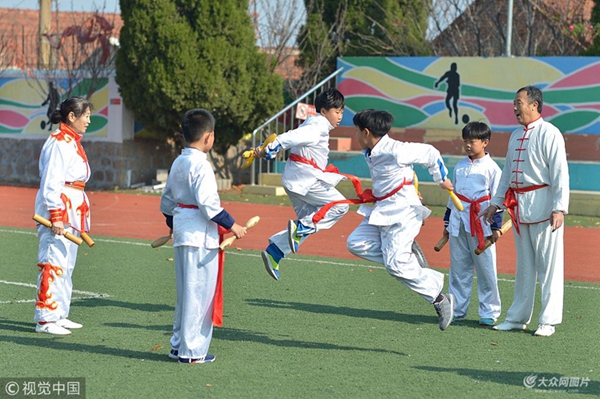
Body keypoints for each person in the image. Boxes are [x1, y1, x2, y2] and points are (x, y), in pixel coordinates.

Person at [346, 109, 455, 331]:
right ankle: (407, 256)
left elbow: (431, 152)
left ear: (366, 132)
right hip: (381, 208)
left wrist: (441, 178)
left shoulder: (397, 150)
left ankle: (439, 299)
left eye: (356, 131)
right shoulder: (371, 150)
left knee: (395, 264)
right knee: (355, 243)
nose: (355, 135)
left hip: (402, 211)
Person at [480, 86, 569, 337]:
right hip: (519, 208)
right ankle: (518, 318)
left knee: (548, 266)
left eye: (519, 102)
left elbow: (560, 173)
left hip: (544, 206)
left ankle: (548, 321)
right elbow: (507, 173)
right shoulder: (515, 135)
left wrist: (559, 208)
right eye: (514, 102)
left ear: (534, 104)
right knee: (525, 266)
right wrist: (496, 202)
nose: (515, 107)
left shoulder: (550, 133)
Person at [160, 109, 247, 364]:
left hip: (183, 230)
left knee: (185, 294)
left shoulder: (179, 161)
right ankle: (192, 351)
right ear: (209, 137)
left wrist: (172, 223)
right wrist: (234, 226)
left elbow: (166, 201)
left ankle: (178, 346)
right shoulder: (201, 164)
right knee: (198, 295)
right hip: (199, 234)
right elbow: (209, 205)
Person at [253, 88, 348, 281]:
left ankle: (275, 251)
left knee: (307, 223)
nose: (340, 116)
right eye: (337, 111)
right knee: (340, 206)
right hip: (305, 181)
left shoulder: (315, 123)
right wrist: (274, 145)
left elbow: (293, 137)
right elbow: (292, 136)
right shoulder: (318, 125)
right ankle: (300, 228)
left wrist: (265, 151)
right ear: (323, 111)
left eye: (342, 112)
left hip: (295, 180)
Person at [34, 96, 93, 335]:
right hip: (60, 210)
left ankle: (59, 313)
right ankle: (45, 318)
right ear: (72, 116)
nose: (89, 121)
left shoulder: (71, 142)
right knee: (53, 261)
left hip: (73, 209)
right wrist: (56, 215)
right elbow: (51, 182)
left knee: (66, 265)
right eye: (86, 116)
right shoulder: (59, 142)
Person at [443, 121, 503, 326]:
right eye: (465, 141)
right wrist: (447, 221)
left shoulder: (492, 169)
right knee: (459, 267)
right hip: (458, 222)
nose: (468, 145)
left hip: (481, 222)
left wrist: (495, 227)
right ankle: (457, 309)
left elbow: (498, 198)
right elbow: (453, 196)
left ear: (485, 142)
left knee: (486, 268)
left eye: (473, 141)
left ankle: (490, 311)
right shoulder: (459, 167)